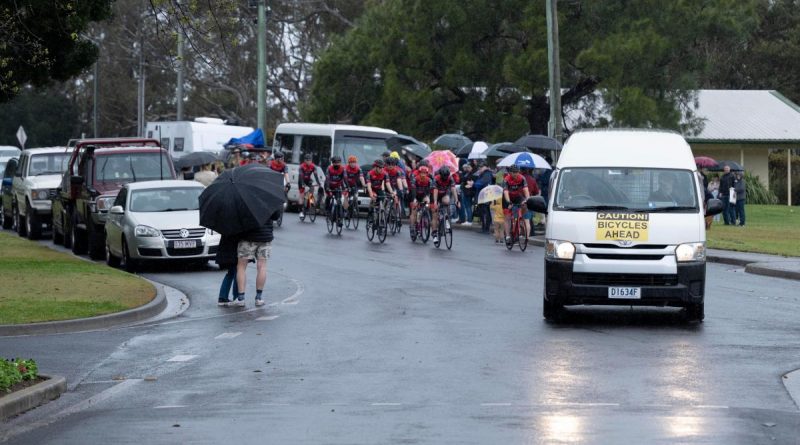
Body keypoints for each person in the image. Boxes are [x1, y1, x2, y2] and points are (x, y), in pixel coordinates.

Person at [234, 210, 280, 307]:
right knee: (262, 267)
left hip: (247, 236)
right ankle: (259, 298)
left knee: (241, 267)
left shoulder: (245, 196)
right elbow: (276, 216)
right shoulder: (268, 197)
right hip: (265, 237)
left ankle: (241, 298)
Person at [431, 166, 459, 244]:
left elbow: (453, 189)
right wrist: (436, 202)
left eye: (446, 176)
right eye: (444, 176)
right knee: (435, 214)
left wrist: (457, 200)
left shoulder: (450, 178)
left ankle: (446, 217)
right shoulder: (436, 179)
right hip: (434, 194)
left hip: (444, 193)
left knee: (447, 201)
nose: (445, 178)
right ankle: (434, 234)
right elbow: (435, 191)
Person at [502, 165, 530, 244]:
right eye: (514, 172)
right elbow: (506, 192)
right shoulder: (506, 179)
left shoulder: (522, 178)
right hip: (507, 197)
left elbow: (526, 190)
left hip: (517, 196)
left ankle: (520, 219)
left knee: (525, 204)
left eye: (517, 172)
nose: (516, 174)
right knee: (507, 217)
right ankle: (507, 236)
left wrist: (528, 199)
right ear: (510, 172)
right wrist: (508, 202)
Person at [408, 165, 433, 238]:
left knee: (427, 202)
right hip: (415, 195)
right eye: (422, 173)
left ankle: (424, 216)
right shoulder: (415, 179)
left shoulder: (429, 180)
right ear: (419, 173)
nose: (423, 174)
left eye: (425, 173)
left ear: (427, 173)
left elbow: (430, 190)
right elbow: (413, 190)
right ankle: (412, 227)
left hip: (424, 195)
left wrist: (429, 199)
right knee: (414, 211)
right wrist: (414, 199)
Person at [215, 234, 240, 306]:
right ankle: (237, 296)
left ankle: (223, 297)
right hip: (234, 249)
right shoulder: (237, 224)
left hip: (226, 248)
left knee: (231, 272)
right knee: (237, 272)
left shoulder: (226, 224)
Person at [473, 161, 495, 233]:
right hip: (484, 195)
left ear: (486, 166)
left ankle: (486, 228)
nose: (480, 168)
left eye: (482, 167)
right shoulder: (485, 173)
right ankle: (484, 227)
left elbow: (481, 183)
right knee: (484, 212)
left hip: (485, 195)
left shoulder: (487, 173)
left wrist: (473, 184)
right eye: (480, 167)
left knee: (485, 212)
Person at [298, 153, 321, 219]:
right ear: (304, 160)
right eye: (307, 160)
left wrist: (318, 183)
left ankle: (309, 203)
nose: (309, 161)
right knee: (302, 195)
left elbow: (316, 176)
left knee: (312, 190)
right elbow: (300, 176)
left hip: (308, 180)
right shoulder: (301, 167)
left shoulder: (313, 166)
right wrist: (302, 183)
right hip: (301, 180)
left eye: (310, 160)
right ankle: (300, 212)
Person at [324, 155, 346, 225]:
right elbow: (327, 179)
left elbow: (345, 178)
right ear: (332, 163)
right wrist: (327, 188)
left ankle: (339, 218)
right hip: (329, 186)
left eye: (338, 162)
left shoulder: (343, 169)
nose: (337, 164)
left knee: (339, 201)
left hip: (337, 187)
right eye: (335, 163)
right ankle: (327, 211)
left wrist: (347, 187)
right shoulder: (329, 168)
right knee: (329, 197)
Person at [521, 168, 540, 237]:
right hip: (530, 200)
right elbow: (536, 192)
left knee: (520, 219)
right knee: (528, 220)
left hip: (519, 200)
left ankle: (521, 234)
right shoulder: (532, 179)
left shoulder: (518, 179)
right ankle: (529, 235)